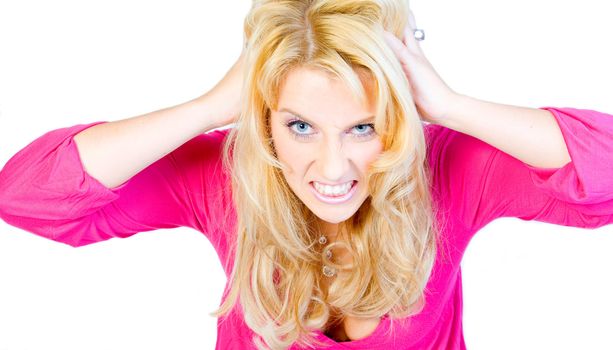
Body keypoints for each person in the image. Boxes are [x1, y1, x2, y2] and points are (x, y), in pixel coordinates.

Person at [0, 0, 612, 349]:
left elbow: (603, 176)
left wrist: (451, 106)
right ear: (263, 119)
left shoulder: (448, 166)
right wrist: (207, 109)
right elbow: (28, 197)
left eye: (364, 128)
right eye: (300, 127)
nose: (332, 168)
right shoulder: (225, 177)